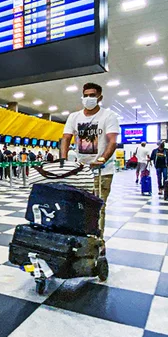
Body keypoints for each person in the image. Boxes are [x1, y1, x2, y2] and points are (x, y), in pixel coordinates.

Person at [60, 82, 119, 235]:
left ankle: (98, 241)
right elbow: (66, 138)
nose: (88, 98)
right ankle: (82, 237)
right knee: (79, 206)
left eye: (92, 95)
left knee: (98, 207)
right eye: (85, 95)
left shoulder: (108, 116)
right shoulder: (74, 117)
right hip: (81, 171)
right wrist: (63, 160)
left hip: (102, 171)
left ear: (100, 97)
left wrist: (102, 159)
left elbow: (113, 141)